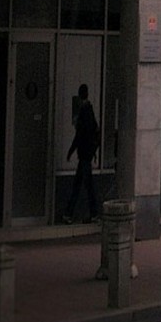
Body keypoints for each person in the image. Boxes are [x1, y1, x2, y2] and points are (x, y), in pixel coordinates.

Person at [62, 83, 101, 223]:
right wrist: (94, 151)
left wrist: (71, 151)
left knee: (82, 185)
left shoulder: (84, 112)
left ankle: (72, 213)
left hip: (84, 154)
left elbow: (79, 135)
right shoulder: (90, 111)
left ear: (79, 95)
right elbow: (95, 131)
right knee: (81, 184)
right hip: (87, 154)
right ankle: (74, 213)